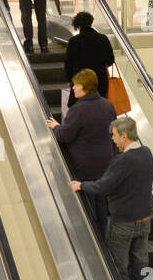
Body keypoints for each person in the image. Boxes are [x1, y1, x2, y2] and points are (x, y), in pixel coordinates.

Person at [74, 115, 153, 280]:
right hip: (144, 221)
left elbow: (103, 186)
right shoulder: (147, 153)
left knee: (118, 269)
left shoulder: (123, 160)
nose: (112, 139)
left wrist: (81, 185)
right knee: (141, 266)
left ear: (124, 136)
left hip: (122, 224)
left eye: (114, 135)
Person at [46, 68, 117, 238]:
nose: (73, 88)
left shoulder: (78, 110)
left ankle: (92, 238)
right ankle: (103, 235)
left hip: (86, 165)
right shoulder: (108, 105)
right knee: (100, 200)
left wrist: (56, 126)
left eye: (77, 85)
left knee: (88, 204)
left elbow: (65, 135)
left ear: (85, 87)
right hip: (106, 161)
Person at [63, 11, 115, 112]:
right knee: (99, 108)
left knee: (80, 108)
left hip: (80, 80)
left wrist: (69, 80)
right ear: (90, 23)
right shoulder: (103, 38)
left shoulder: (74, 41)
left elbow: (68, 63)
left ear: (77, 25)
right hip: (99, 80)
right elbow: (110, 60)